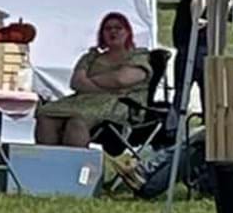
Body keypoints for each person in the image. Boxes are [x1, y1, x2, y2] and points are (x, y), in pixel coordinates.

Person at [34, 12, 152, 146]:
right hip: (83, 101)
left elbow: (121, 79)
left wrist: (90, 82)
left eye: (118, 28)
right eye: (108, 29)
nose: (113, 32)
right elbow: (76, 82)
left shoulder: (139, 56)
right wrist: (106, 85)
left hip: (119, 104)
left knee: (76, 121)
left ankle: (73, 164)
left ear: (128, 32)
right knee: (45, 116)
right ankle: (48, 162)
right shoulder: (91, 57)